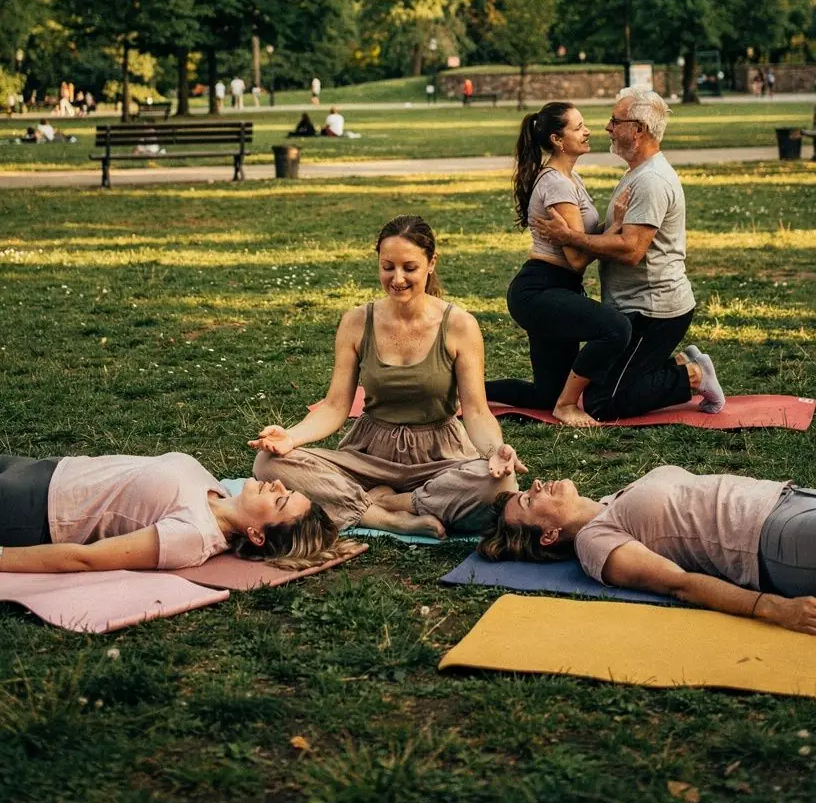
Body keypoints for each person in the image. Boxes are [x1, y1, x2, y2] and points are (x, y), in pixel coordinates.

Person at [251, 215, 527, 538]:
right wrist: (291, 438)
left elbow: (477, 412)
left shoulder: (460, 325)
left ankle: (398, 502)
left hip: (440, 458)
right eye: (387, 267)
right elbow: (334, 407)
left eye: (409, 268)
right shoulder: (356, 322)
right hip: (369, 456)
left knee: (502, 484)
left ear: (431, 263)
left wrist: (495, 449)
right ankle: (381, 516)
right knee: (267, 464)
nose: (397, 279)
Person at [536, 88, 725, 422]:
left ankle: (693, 375)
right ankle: (679, 364)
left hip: (653, 311)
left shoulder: (651, 180)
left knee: (602, 403)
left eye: (615, 120)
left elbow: (631, 250)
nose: (607, 127)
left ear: (637, 129)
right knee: (605, 387)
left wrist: (571, 238)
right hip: (634, 306)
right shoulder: (638, 172)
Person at [478, 467, 816, 635]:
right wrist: (772, 609)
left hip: (787, 499)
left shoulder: (612, 502)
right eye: (528, 500)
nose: (536, 485)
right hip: (774, 541)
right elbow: (679, 584)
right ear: (549, 535)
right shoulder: (594, 541)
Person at [485, 102, 633, 427]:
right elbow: (577, 260)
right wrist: (614, 229)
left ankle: (462, 391)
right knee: (616, 328)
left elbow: (578, 244)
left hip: (554, 289)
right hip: (540, 291)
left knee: (545, 394)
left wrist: (605, 230)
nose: (588, 131)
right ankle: (566, 407)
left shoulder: (569, 177)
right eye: (578, 127)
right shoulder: (557, 184)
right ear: (557, 139)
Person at [0, 451, 340, 574]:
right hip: (47, 471)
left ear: (257, 534)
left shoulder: (192, 536)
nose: (278, 485)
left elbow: (85, 559)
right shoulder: (219, 492)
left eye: (280, 501)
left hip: (30, 510)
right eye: (287, 490)